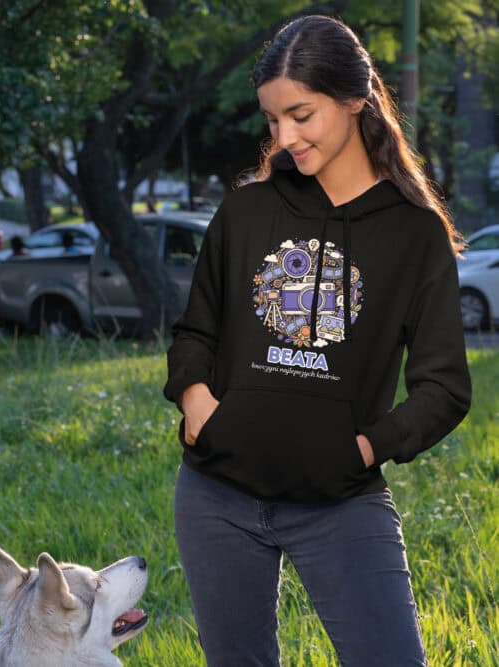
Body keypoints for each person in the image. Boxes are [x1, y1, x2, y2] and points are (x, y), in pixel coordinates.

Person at [163, 14, 472, 667]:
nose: (284, 137)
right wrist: (197, 404)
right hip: (218, 495)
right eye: (273, 119)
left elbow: (444, 388)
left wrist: (364, 447)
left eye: (301, 115)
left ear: (355, 101)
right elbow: (195, 332)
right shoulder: (246, 210)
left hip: (339, 500)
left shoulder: (413, 235)